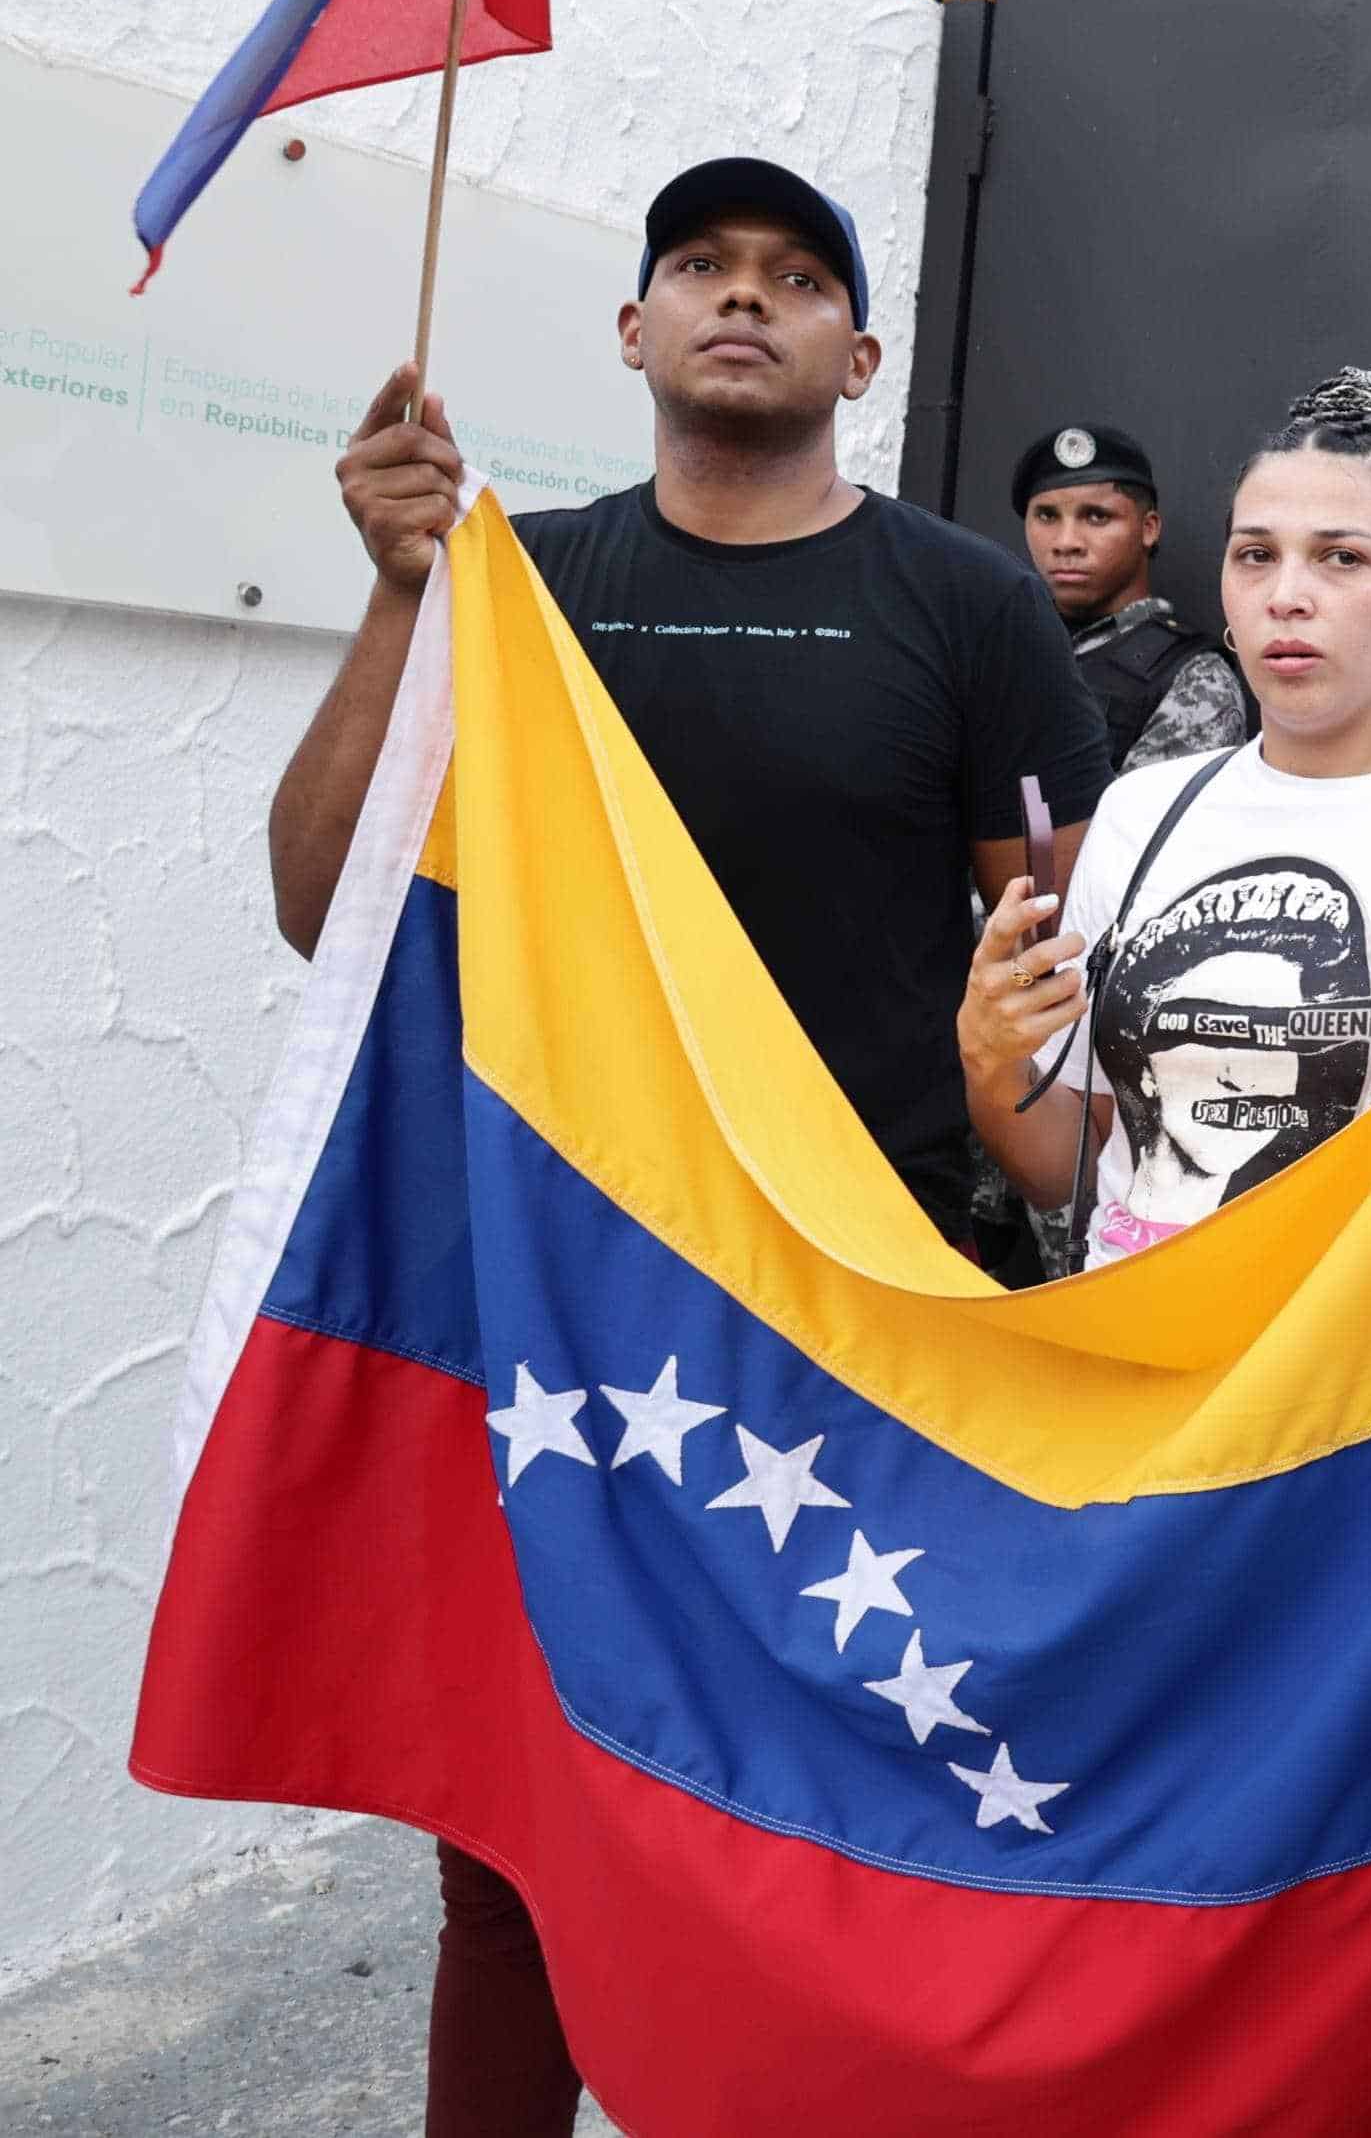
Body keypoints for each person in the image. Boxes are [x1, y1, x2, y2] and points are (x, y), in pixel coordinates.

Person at [266, 154, 1113, 2138]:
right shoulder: (519, 583)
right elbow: (328, 905)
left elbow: (1057, 956)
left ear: (861, 352)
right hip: (563, 1319)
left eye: (798, 275)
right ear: (634, 326)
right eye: (705, 268)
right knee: (515, 1846)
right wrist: (404, 596)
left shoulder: (969, 603)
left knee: (855, 1837)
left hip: (870, 1317)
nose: (749, 296)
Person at [958, 368, 1371, 1267]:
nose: (1287, 594)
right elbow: (1072, 1165)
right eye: (1255, 555)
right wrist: (989, 1058)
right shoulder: (1142, 814)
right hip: (1141, 1362)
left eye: (1341, 558)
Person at [1015, 418, 1252, 770]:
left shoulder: (1193, 678)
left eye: (1096, 517)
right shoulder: (998, 645)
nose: (1066, 542)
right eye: (1047, 516)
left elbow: (1146, 824)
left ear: (1148, 529)